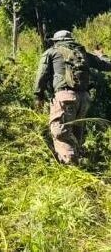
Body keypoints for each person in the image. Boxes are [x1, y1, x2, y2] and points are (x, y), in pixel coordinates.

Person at [34, 30, 111, 165]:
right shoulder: (82, 54)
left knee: (61, 133)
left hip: (65, 97)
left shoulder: (52, 52)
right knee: (76, 134)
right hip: (84, 98)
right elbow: (106, 65)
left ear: (56, 41)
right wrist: (101, 55)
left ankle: (71, 170)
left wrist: (38, 97)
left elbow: (41, 76)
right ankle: (82, 164)